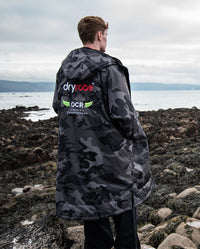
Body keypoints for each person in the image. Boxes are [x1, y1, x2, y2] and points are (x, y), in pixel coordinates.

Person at [53, 16, 154, 249]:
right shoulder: (109, 68)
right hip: (112, 161)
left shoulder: (65, 69)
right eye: (106, 35)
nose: (106, 39)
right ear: (99, 35)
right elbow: (125, 117)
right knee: (126, 225)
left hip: (78, 160)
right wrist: (138, 141)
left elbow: (59, 106)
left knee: (94, 226)